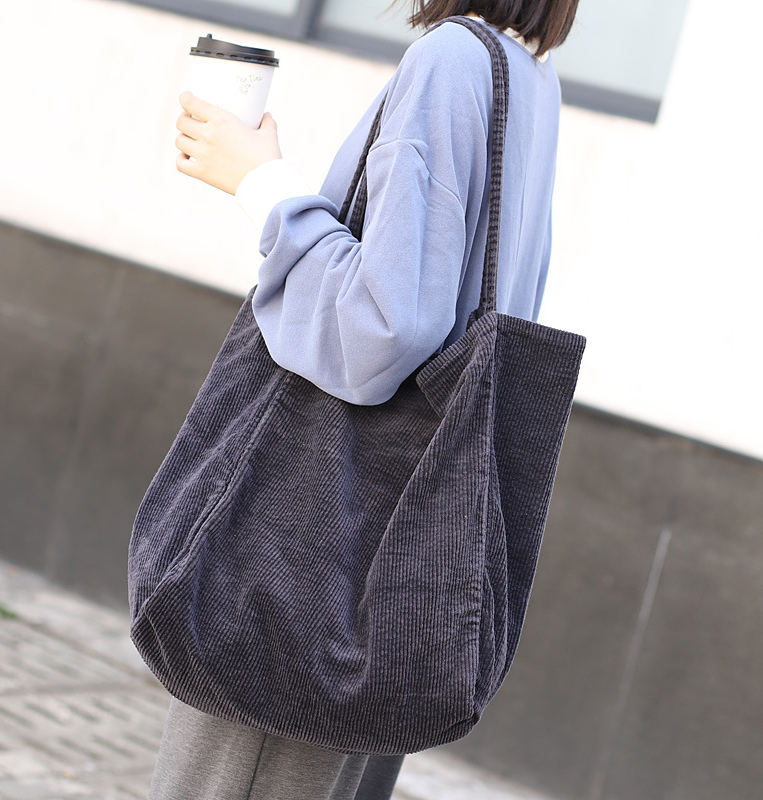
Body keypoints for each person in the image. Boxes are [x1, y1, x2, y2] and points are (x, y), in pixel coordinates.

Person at [149, 1, 580, 798]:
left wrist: (261, 184)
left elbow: (382, 328)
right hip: (401, 565)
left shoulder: (453, 62)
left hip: (313, 561)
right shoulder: (528, 76)